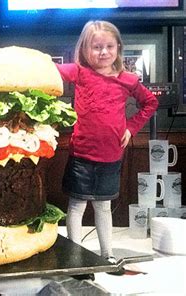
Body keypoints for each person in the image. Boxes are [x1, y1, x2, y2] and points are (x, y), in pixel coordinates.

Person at [56, 21, 158, 265]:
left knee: (103, 207)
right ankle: (74, 256)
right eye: (96, 46)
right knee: (76, 206)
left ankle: (106, 255)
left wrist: (131, 128)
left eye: (109, 46)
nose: (103, 52)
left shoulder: (128, 79)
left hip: (111, 156)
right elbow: (50, 71)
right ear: (84, 49)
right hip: (81, 154)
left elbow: (150, 103)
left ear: (118, 47)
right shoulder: (80, 73)